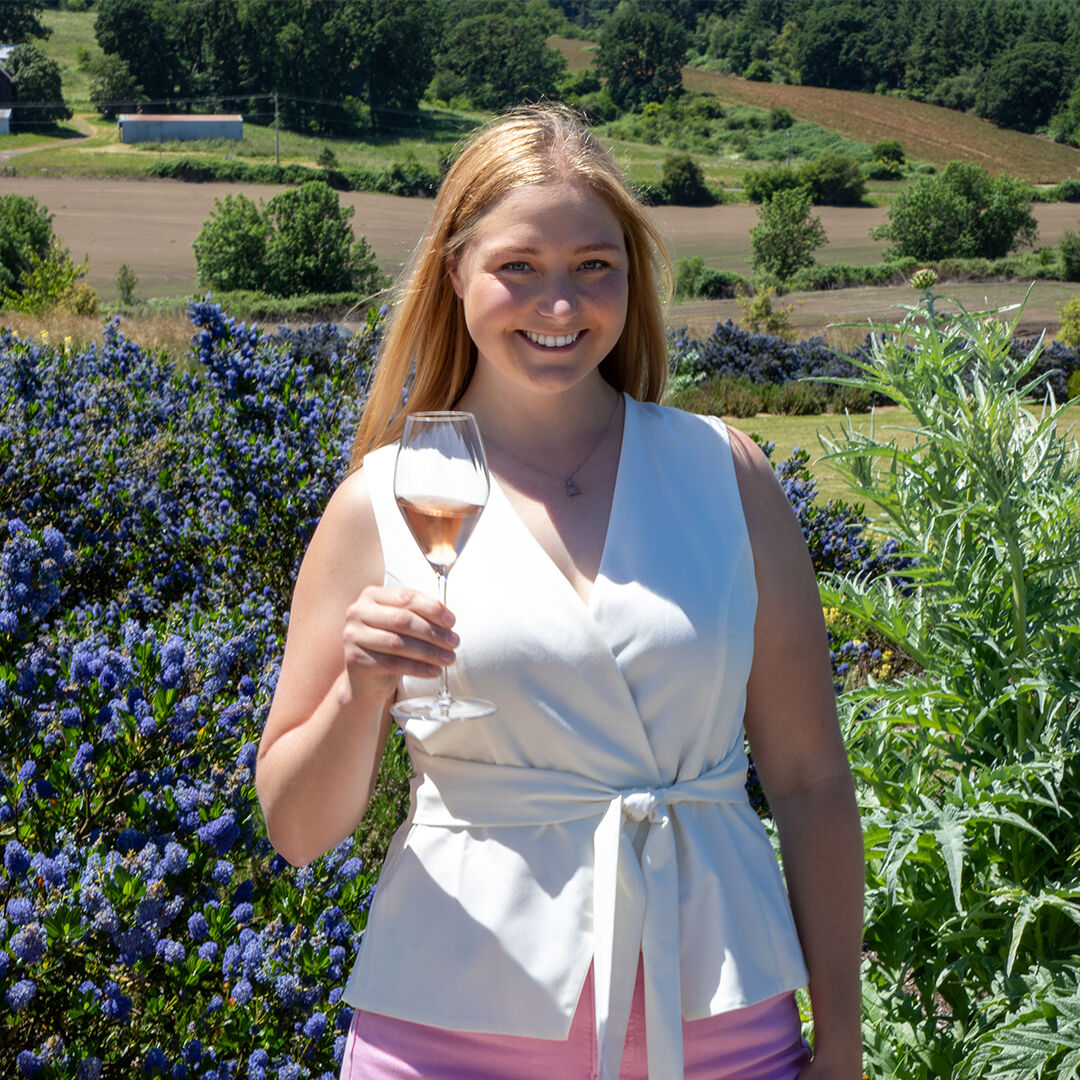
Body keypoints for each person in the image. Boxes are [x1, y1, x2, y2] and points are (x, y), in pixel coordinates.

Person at [256, 104, 864, 1080]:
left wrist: (845, 1038)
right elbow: (296, 829)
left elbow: (810, 783)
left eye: (594, 266)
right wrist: (356, 693)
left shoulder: (728, 477)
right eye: (519, 268)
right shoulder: (379, 505)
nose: (560, 306)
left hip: (718, 1026)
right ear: (454, 273)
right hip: (450, 1033)